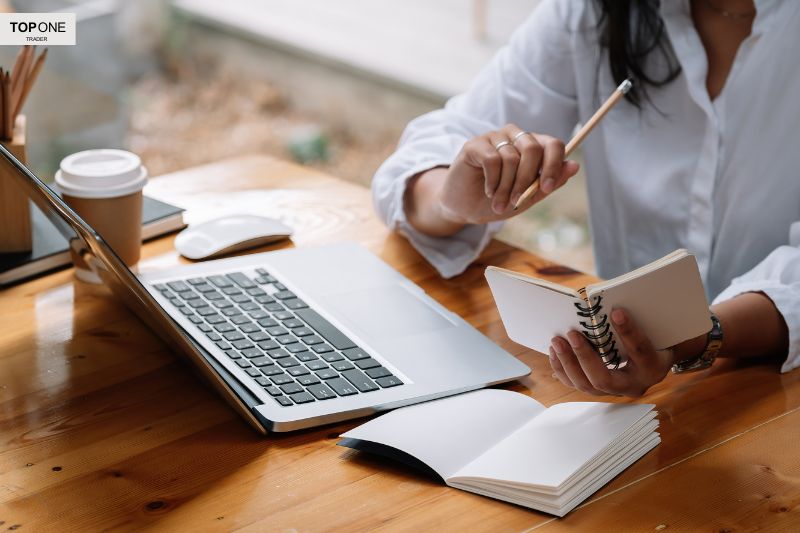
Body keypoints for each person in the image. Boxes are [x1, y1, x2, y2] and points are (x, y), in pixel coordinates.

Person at [371, 0, 799, 396]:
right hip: (629, 383)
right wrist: (453, 200)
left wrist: (693, 336)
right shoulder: (597, 11)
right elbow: (438, 145)